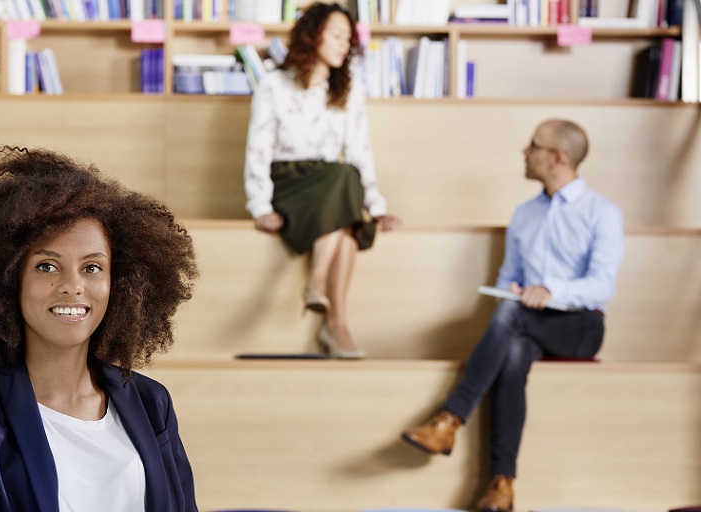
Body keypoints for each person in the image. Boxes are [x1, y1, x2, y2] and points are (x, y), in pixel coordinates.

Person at [0, 146, 199, 511]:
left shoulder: (151, 403)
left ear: (120, 283)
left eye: (92, 267)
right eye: (47, 266)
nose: (72, 285)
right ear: (8, 278)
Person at [400, 119, 624, 512]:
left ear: (558, 158)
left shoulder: (602, 212)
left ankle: (451, 418)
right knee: (515, 351)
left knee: (513, 316)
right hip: (527, 321)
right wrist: (516, 292)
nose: (524, 151)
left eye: (533, 145)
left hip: (580, 325)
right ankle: (501, 485)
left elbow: (602, 285)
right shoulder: (524, 215)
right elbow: (509, 278)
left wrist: (552, 290)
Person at [243, 2, 400, 359]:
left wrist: (377, 206)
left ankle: (330, 310)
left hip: (333, 184)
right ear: (313, 36)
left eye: (349, 38)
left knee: (345, 179)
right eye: (337, 35)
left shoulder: (347, 89)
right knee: (344, 190)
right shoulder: (273, 85)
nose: (345, 44)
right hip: (289, 183)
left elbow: (361, 150)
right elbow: (259, 149)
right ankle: (334, 320)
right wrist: (260, 206)